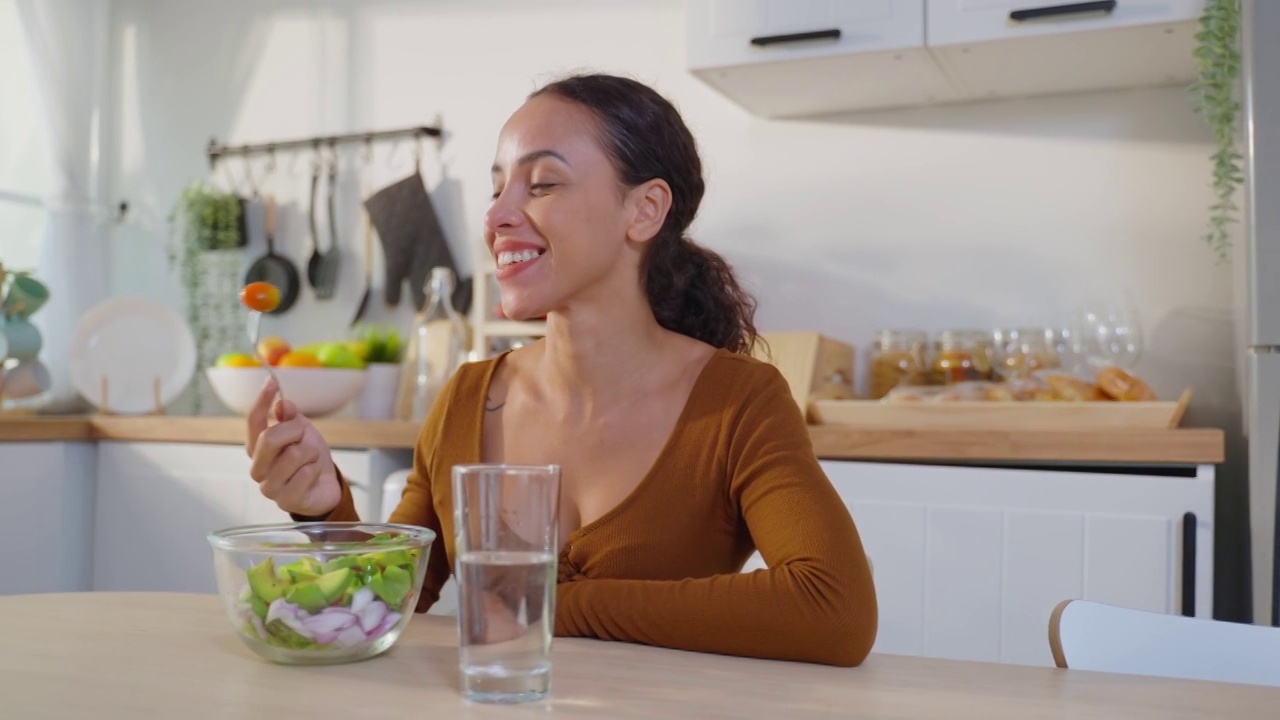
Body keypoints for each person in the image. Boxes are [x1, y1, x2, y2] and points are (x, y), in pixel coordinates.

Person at [245, 72, 877, 667]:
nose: (496, 217)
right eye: (498, 189)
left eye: (541, 184)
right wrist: (323, 509)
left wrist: (551, 603)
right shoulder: (468, 398)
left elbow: (833, 609)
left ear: (645, 210)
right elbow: (384, 600)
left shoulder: (738, 402)